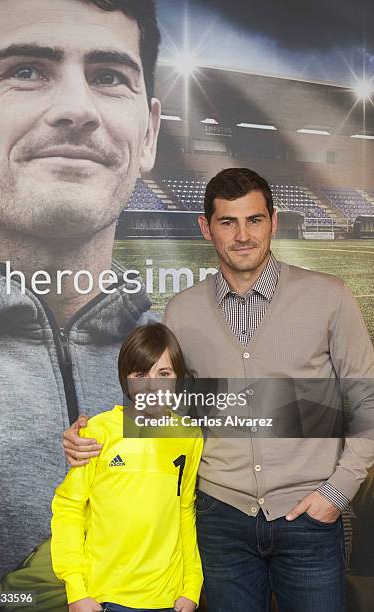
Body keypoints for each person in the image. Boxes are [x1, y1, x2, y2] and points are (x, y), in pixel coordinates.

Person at [66, 168, 374, 612]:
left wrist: (337, 492)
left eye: (254, 220)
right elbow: (165, 412)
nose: (243, 235)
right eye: (228, 222)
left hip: (307, 516)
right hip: (219, 520)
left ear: (273, 221)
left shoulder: (329, 297)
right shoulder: (182, 310)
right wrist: (91, 437)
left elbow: (366, 401)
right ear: (205, 227)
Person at [0, 0, 161, 590]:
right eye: (27, 70)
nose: (78, 109)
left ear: (149, 133)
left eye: (109, 76)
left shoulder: (182, 349)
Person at [51, 323, 203, 612]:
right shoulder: (98, 431)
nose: (152, 385)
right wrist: (76, 589)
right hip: (105, 597)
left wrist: (191, 585)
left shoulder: (189, 436)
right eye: (140, 374)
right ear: (125, 379)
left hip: (168, 599)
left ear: (178, 379)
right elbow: (69, 509)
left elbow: (184, 510)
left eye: (164, 373)